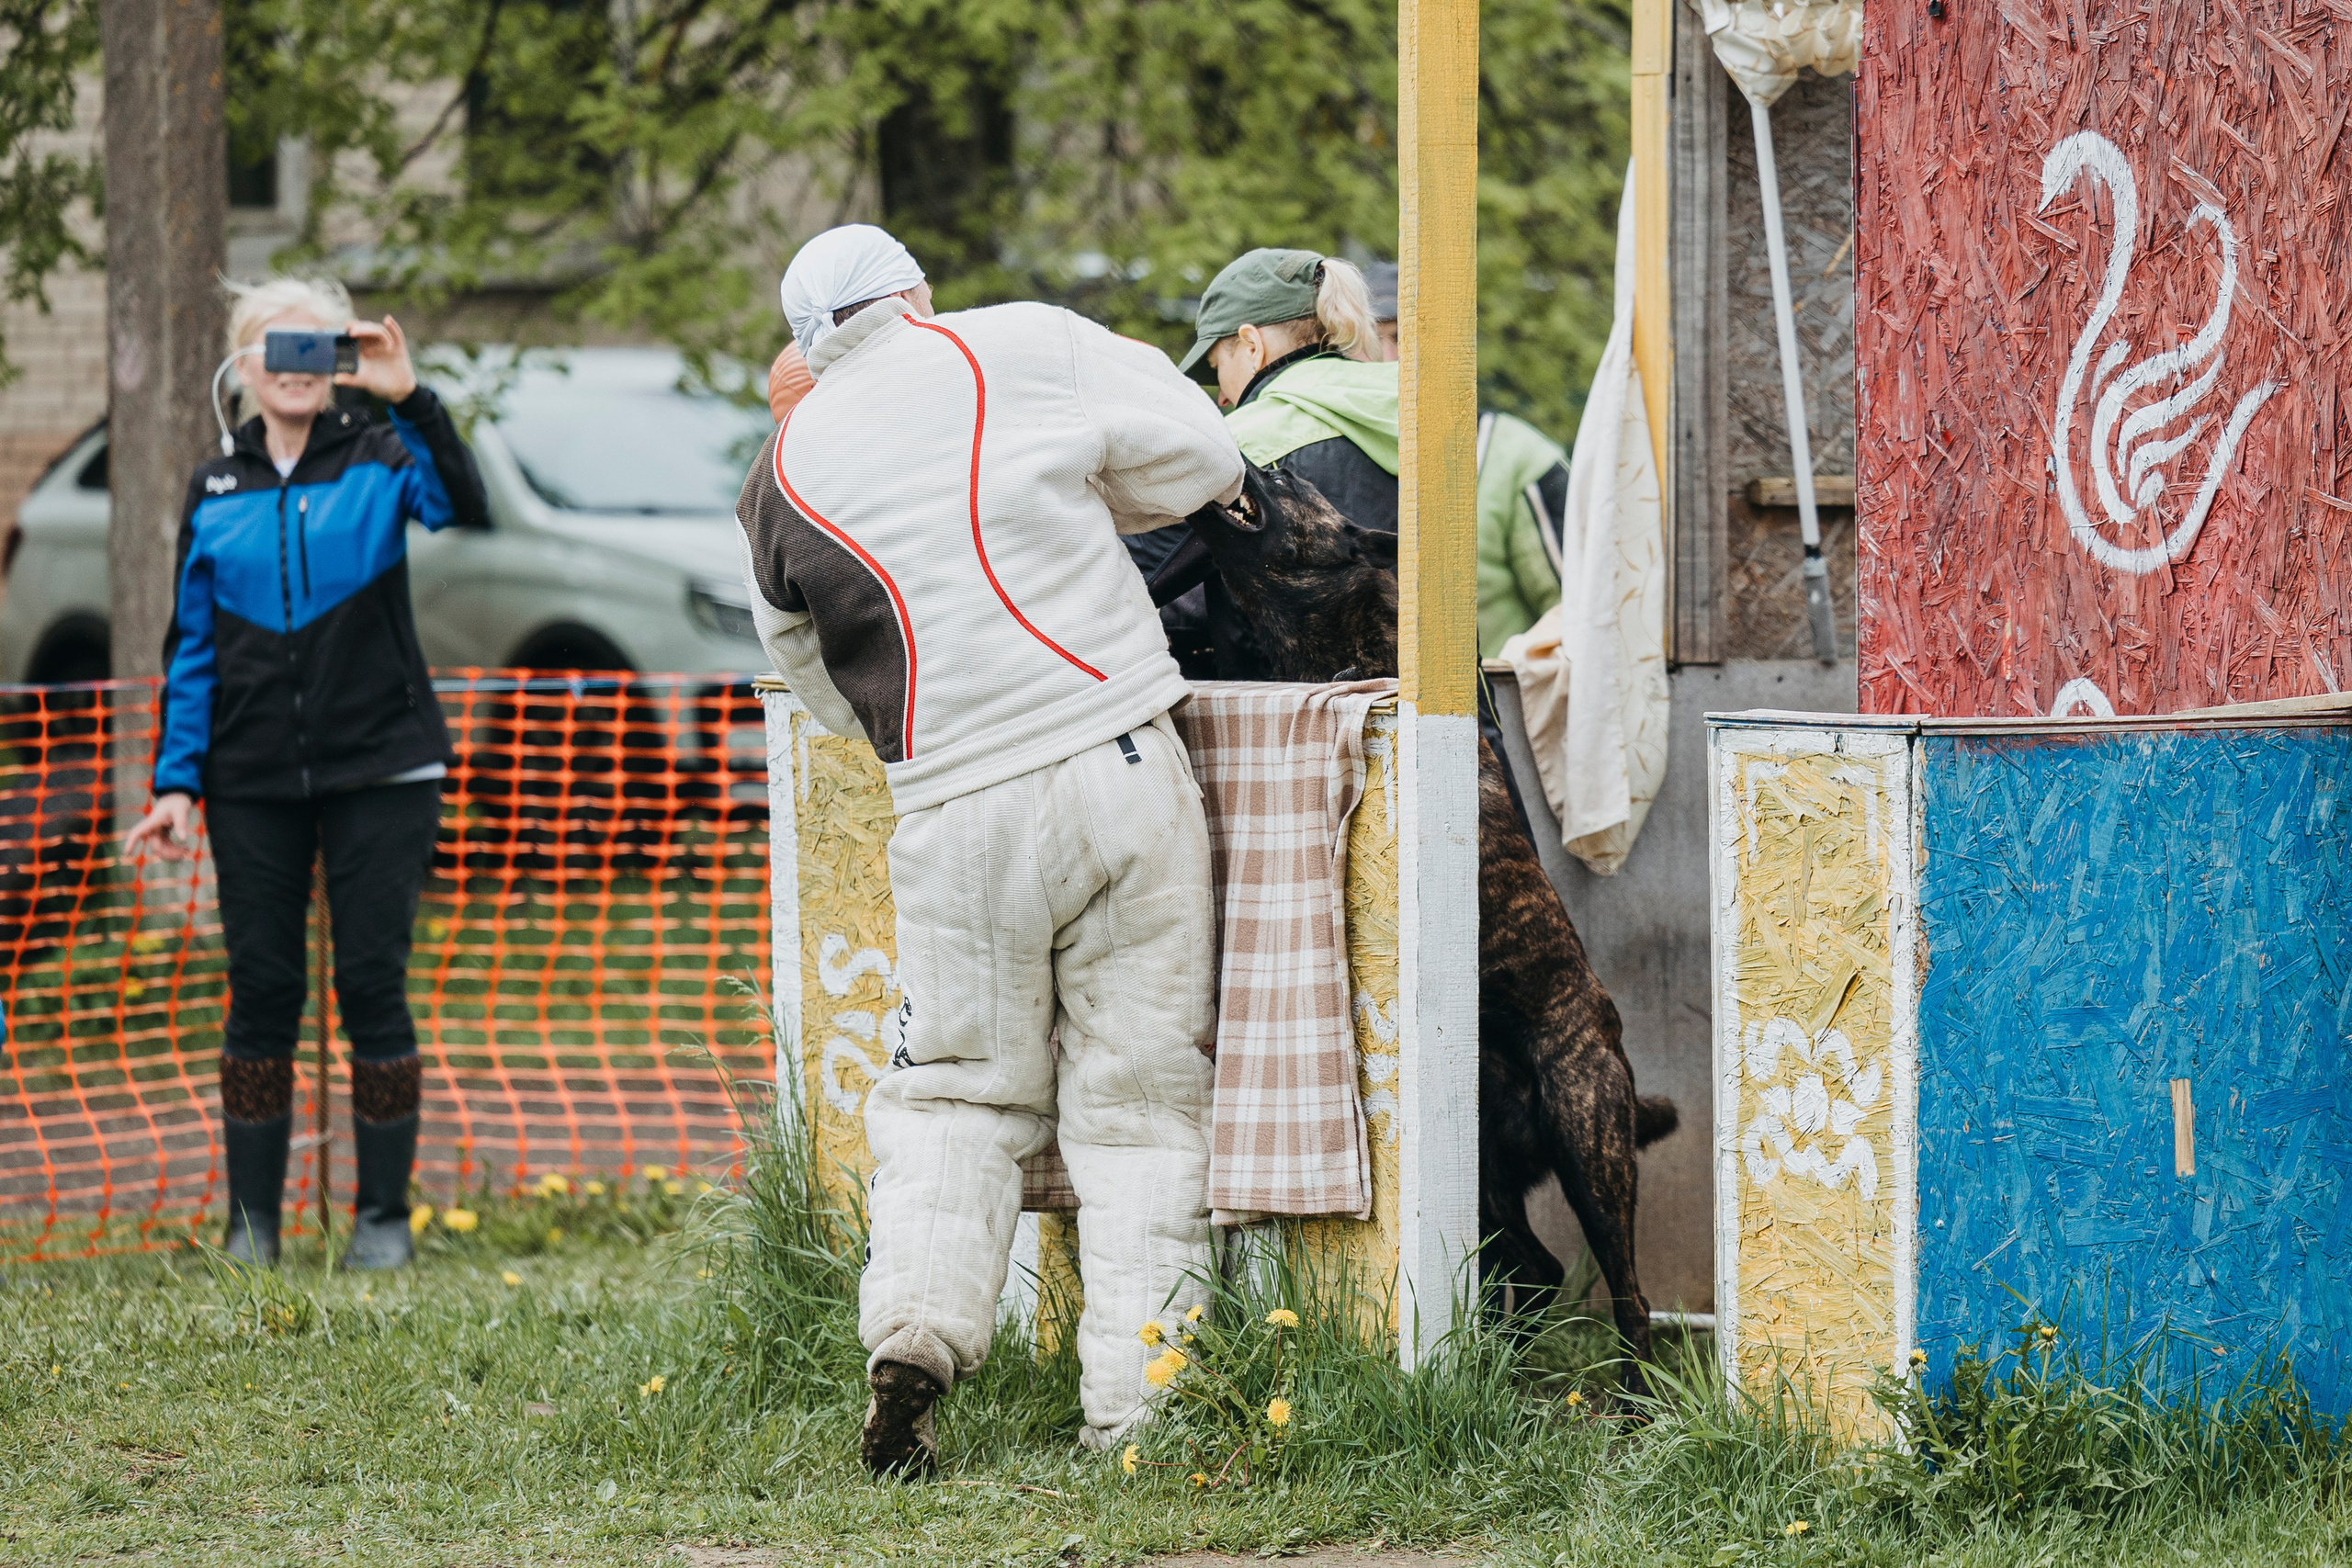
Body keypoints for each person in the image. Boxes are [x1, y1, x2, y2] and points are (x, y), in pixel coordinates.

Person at [734, 224, 1240, 1477]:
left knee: (954, 1090)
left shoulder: (777, 475)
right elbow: (1204, 454)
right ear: (912, 295)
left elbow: (807, 668)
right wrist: (1074, 504)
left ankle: (916, 1326)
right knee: (1136, 1102)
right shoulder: (1017, 343)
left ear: (811, 341)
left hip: (950, 803)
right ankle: (1142, 1406)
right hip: (1114, 752)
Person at [123, 275, 490, 1269]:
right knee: (262, 992)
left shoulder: (379, 455)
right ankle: (252, 1226)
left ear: (335, 365)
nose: (294, 370)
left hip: (382, 768)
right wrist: (175, 782)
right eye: (276, 349)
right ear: (242, 366)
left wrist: (409, 395)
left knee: (372, 985)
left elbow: (463, 504)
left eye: (314, 351)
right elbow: (191, 647)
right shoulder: (214, 486)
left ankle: (381, 1221)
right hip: (249, 782)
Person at [1359, 257, 1573, 656]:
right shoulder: (1332, 453)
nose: (1390, 360)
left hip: (1496, 709)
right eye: (1373, 342)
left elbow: (1578, 609)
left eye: (1404, 338)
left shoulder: (1520, 459)